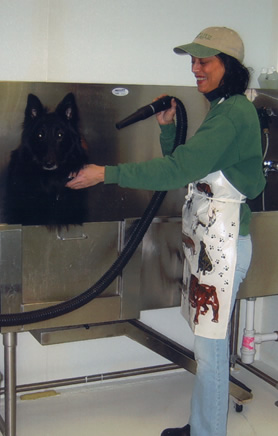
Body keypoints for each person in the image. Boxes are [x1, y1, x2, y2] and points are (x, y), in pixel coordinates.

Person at [66, 27, 266, 436]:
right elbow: (193, 166)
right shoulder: (225, 109)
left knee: (210, 354)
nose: (196, 69)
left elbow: (181, 170)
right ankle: (201, 426)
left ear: (228, 66)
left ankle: (209, 433)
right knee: (206, 347)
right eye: (193, 61)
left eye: (204, 61)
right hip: (212, 242)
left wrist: (108, 173)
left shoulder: (234, 113)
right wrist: (165, 129)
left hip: (225, 247)